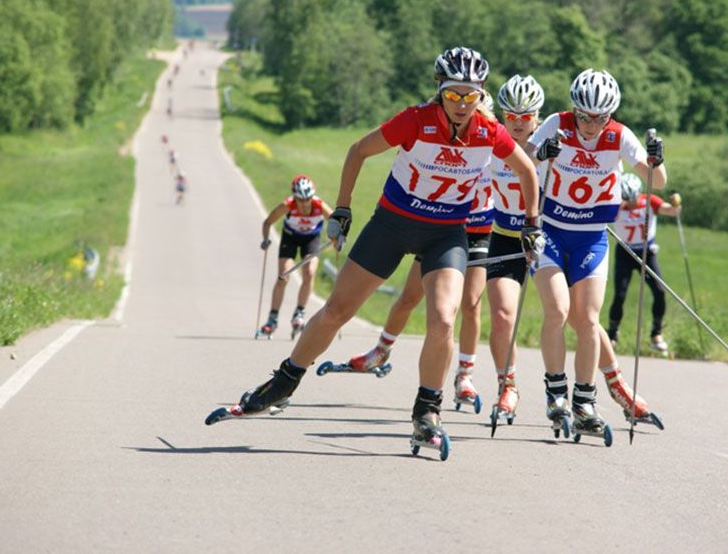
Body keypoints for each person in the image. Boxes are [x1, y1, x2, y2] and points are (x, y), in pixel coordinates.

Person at [225, 47, 541, 453]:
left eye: (471, 95)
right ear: (439, 91)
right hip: (392, 226)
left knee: (444, 319)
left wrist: (531, 224)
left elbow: (527, 170)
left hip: (445, 233)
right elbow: (358, 150)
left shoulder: (488, 131)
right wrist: (341, 208)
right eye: (454, 95)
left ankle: (427, 411)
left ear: (481, 95)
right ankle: (283, 381)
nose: (462, 104)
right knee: (338, 310)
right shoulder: (415, 120)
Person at [525, 68, 666, 437]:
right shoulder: (557, 123)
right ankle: (556, 393)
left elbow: (658, 180)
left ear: (611, 114)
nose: (591, 125)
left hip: (591, 237)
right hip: (552, 232)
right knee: (557, 310)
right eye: (584, 116)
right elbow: (523, 161)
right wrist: (542, 152)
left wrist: (655, 160)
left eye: (600, 118)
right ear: (574, 109)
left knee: (587, 319)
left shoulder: (619, 136)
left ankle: (584, 401)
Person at [342, 163, 494, 413]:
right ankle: (381, 350)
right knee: (409, 298)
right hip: (442, 233)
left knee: (471, 304)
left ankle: (464, 375)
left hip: (477, 233)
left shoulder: (497, 153)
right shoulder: (461, 153)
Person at [483, 74, 547, 420]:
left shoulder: (552, 144)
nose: (519, 124)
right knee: (503, 315)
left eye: (526, 117)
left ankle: (588, 391)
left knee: (572, 314)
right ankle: (507, 385)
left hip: (543, 236)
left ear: (537, 116)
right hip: (505, 236)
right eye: (511, 117)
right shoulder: (491, 144)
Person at [607, 173, 681, 355]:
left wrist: (676, 204)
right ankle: (612, 335)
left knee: (659, 291)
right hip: (625, 252)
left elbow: (671, 211)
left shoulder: (649, 201)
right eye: (625, 199)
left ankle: (656, 335)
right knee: (620, 294)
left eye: (631, 199)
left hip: (646, 252)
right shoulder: (616, 206)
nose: (629, 204)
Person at [258, 175, 333, 338]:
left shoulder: (319, 205)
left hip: (311, 239)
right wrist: (265, 239)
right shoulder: (288, 205)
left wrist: (338, 235)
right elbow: (267, 222)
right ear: (295, 197)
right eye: (300, 199)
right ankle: (272, 318)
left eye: (308, 199)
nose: (305, 203)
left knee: (309, 273)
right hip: (290, 237)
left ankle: (299, 313)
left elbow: (336, 221)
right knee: (283, 276)